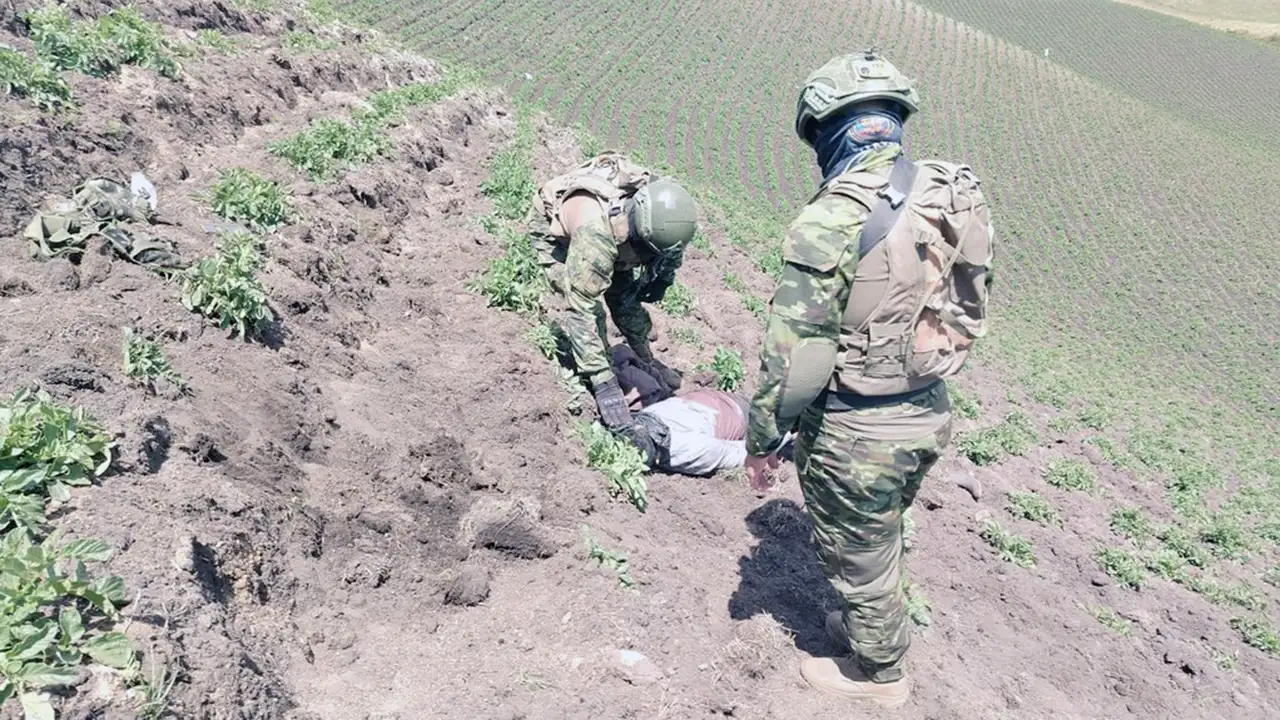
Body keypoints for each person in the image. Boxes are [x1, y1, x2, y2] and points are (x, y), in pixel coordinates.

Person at [744, 49, 995, 708]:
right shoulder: (949, 189)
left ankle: (879, 672)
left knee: (858, 555)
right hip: (927, 404)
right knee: (880, 532)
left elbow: (791, 350)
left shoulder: (834, 217)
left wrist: (762, 440)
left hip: (859, 426)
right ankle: (869, 621)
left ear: (825, 129)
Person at [528, 152, 698, 430]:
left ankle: (645, 357)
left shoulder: (667, 212)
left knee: (625, 300)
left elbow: (670, 254)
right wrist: (604, 383)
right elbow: (581, 306)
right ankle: (598, 369)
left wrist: (661, 280)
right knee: (586, 299)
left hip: (618, 233)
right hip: (553, 228)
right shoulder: (596, 236)